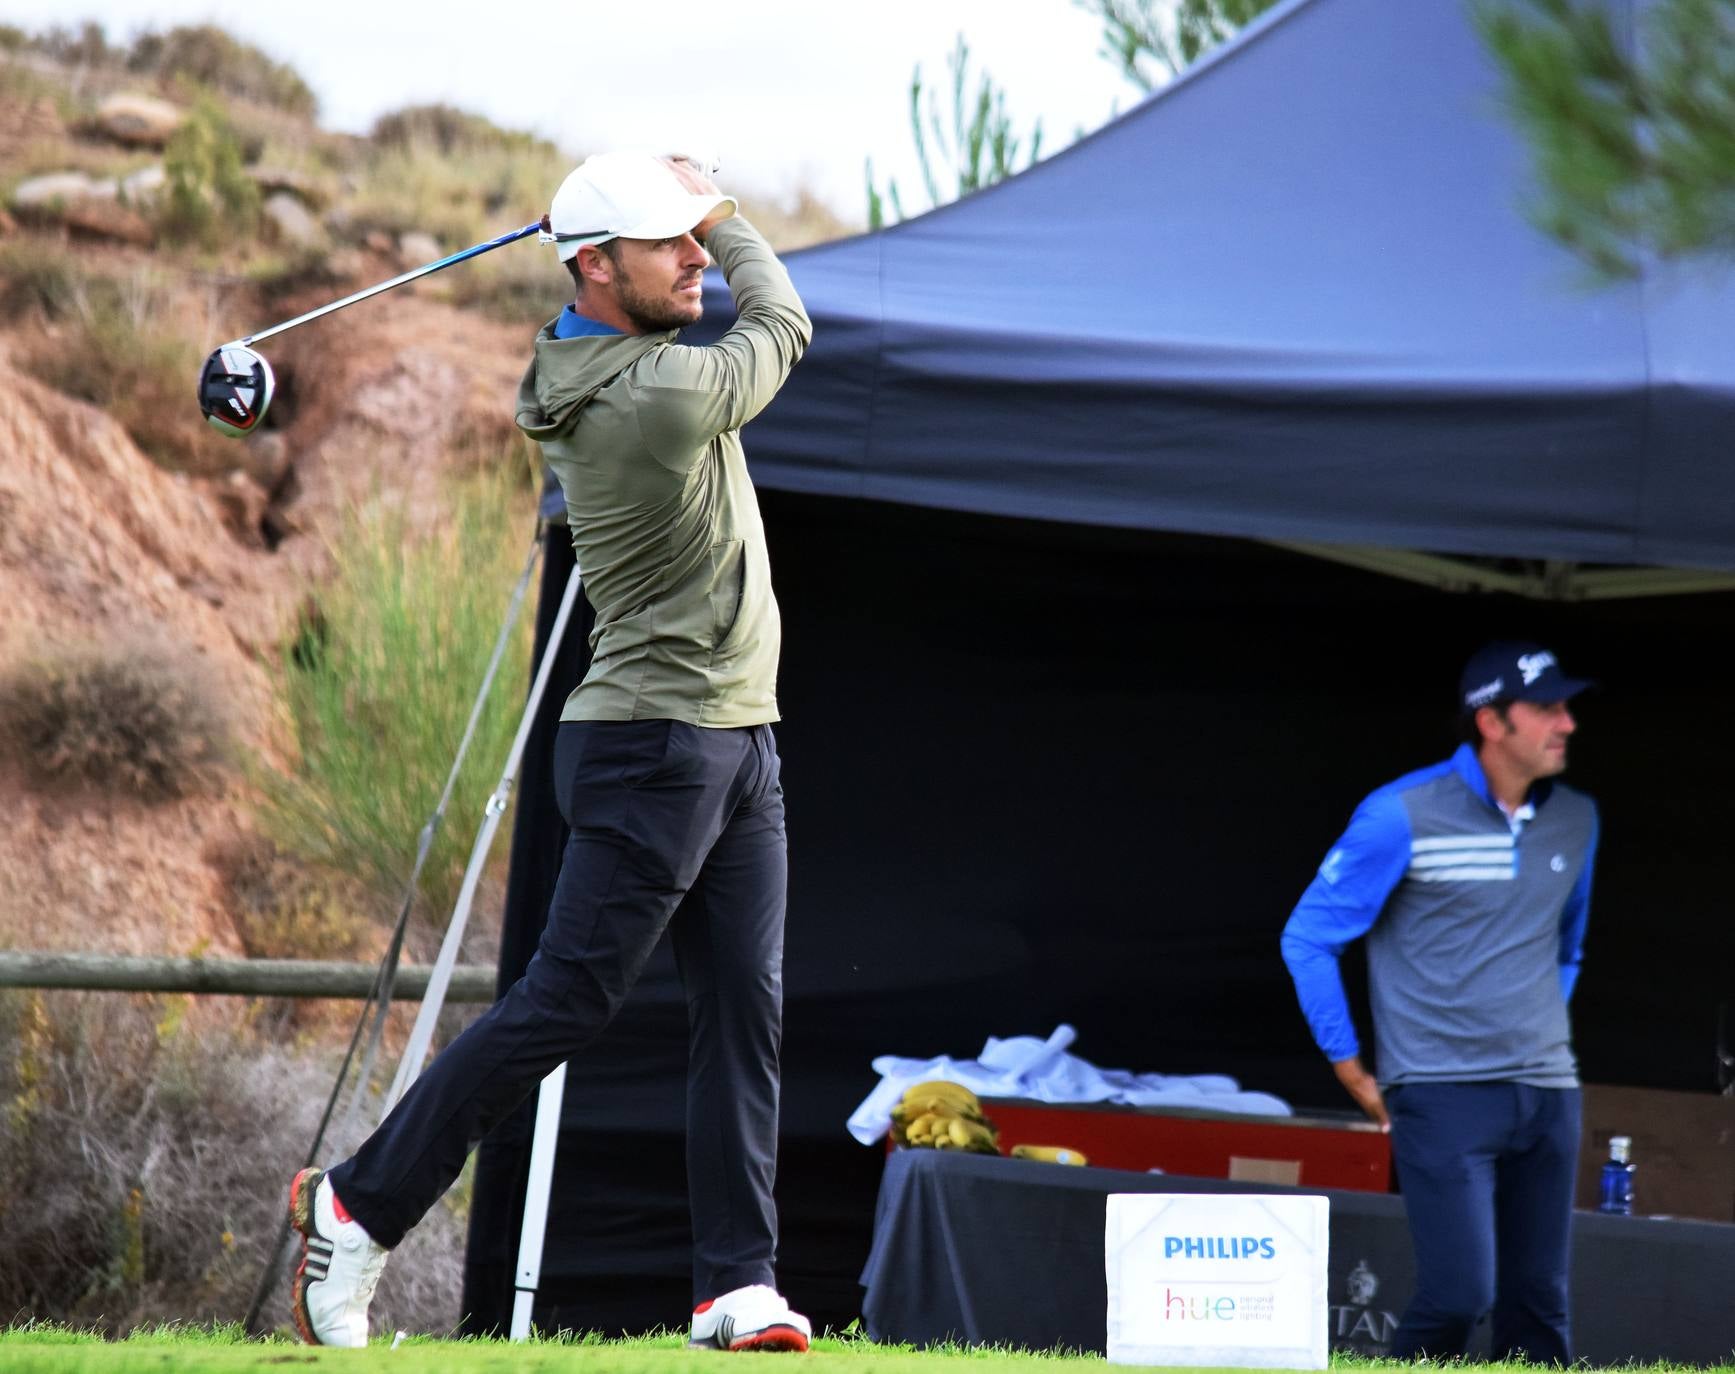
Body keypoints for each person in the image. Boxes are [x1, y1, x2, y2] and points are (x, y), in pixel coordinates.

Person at [286, 151, 814, 1351]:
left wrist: (676, 213)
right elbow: (784, 322)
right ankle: (357, 1202)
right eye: (668, 240)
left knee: (744, 1012)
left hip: (736, 740)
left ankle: (737, 1283)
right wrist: (727, 211)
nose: (691, 256)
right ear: (593, 266)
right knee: (563, 1002)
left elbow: (701, 294)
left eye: (695, 236)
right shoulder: (651, 400)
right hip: (652, 747)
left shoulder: (612, 353)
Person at [1279, 642, 1598, 1363]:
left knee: (1539, 1305)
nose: (1566, 723)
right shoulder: (1400, 814)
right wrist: (1349, 1068)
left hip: (1547, 1091)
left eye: (1565, 706)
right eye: (1545, 707)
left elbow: (1566, 948)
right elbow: (1306, 939)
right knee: (1459, 1296)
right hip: (1441, 1091)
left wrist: (1538, 1029)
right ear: (1491, 722)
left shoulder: (1575, 819)